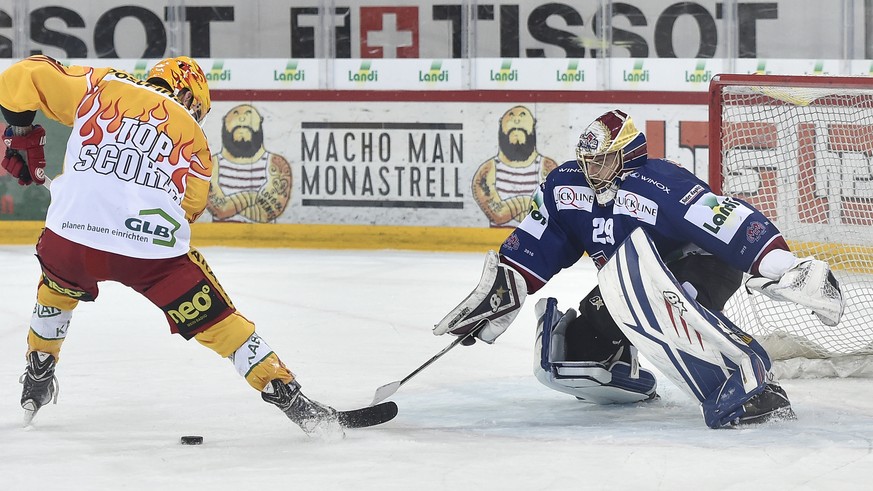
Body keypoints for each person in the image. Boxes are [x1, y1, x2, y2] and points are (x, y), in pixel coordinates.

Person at [435, 109, 845, 428]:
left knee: (661, 304)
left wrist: (785, 267)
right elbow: (537, 244)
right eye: (587, 161)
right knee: (578, 349)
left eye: (602, 161)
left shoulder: (662, 184)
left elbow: (728, 221)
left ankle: (750, 378)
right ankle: (616, 366)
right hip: (629, 279)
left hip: (705, 265)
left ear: (626, 156)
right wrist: (499, 296)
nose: (591, 170)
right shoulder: (565, 187)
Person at [0, 55, 345, 435]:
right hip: (149, 254)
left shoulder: (103, 86)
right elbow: (188, 211)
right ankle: (282, 388)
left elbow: (20, 76)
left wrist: (20, 134)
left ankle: (39, 367)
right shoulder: (196, 142)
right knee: (217, 319)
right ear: (189, 95)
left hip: (70, 237)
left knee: (56, 288)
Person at [471, 105, 558, 227]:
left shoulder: (547, 167)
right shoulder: (487, 170)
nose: (517, 120)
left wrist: (511, 208)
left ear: (533, 125)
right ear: (501, 125)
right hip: (498, 242)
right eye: (511, 116)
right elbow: (498, 215)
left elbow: (553, 212)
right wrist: (527, 203)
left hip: (537, 243)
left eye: (522, 115)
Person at [207, 103, 292, 223]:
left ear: (260, 122)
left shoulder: (276, 163)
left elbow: (266, 212)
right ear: (224, 122)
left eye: (248, 114)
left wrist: (231, 205)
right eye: (235, 114)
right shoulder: (211, 164)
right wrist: (253, 198)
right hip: (220, 237)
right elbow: (220, 210)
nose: (242, 118)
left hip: (264, 239)